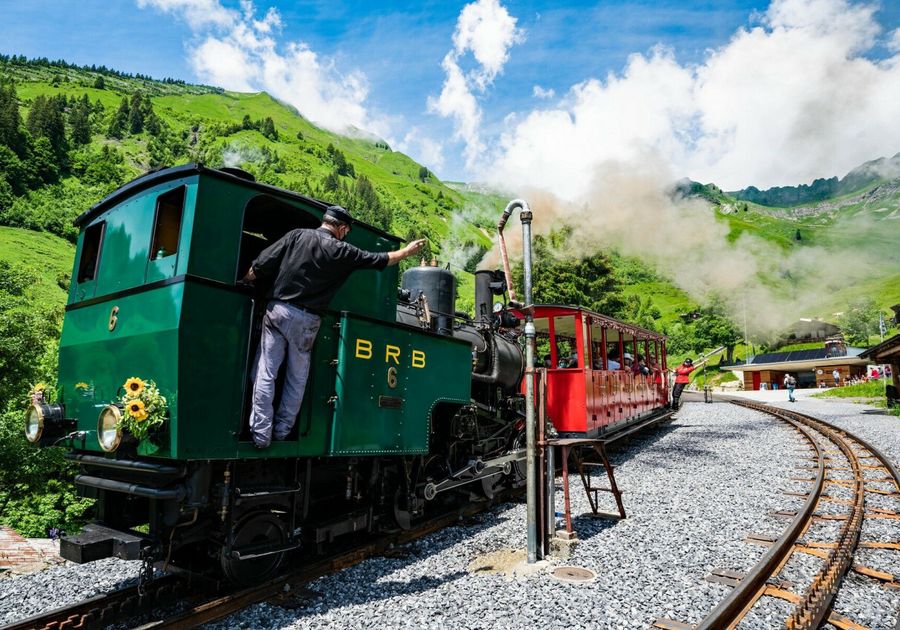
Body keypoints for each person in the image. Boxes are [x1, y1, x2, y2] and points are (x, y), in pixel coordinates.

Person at [242, 205, 426, 448]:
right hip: (308, 320)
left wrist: (245, 281)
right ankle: (282, 432)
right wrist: (407, 251)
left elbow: (260, 265)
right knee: (296, 380)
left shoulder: (297, 235)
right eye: (346, 232)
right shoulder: (342, 250)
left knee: (266, 371)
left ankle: (260, 434)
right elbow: (381, 259)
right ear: (342, 228)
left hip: (278, 311)